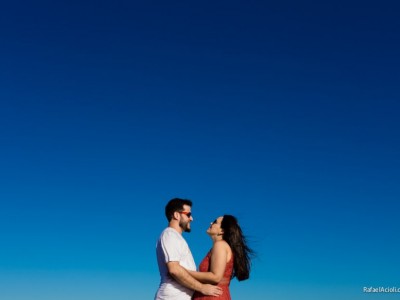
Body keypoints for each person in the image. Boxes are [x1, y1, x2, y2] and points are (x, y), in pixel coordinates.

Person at [155, 198, 222, 300]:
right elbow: (174, 269)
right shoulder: (169, 234)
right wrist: (202, 288)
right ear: (177, 215)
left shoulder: (177, 237)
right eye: (188, 215)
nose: (191, 219)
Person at [189, 215, 254, 300]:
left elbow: (216, 277)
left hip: (212, 297)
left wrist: (183, 272)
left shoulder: (220, 245)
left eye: (215, 222)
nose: (211, 223)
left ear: (222, 231)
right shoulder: (220, 246)